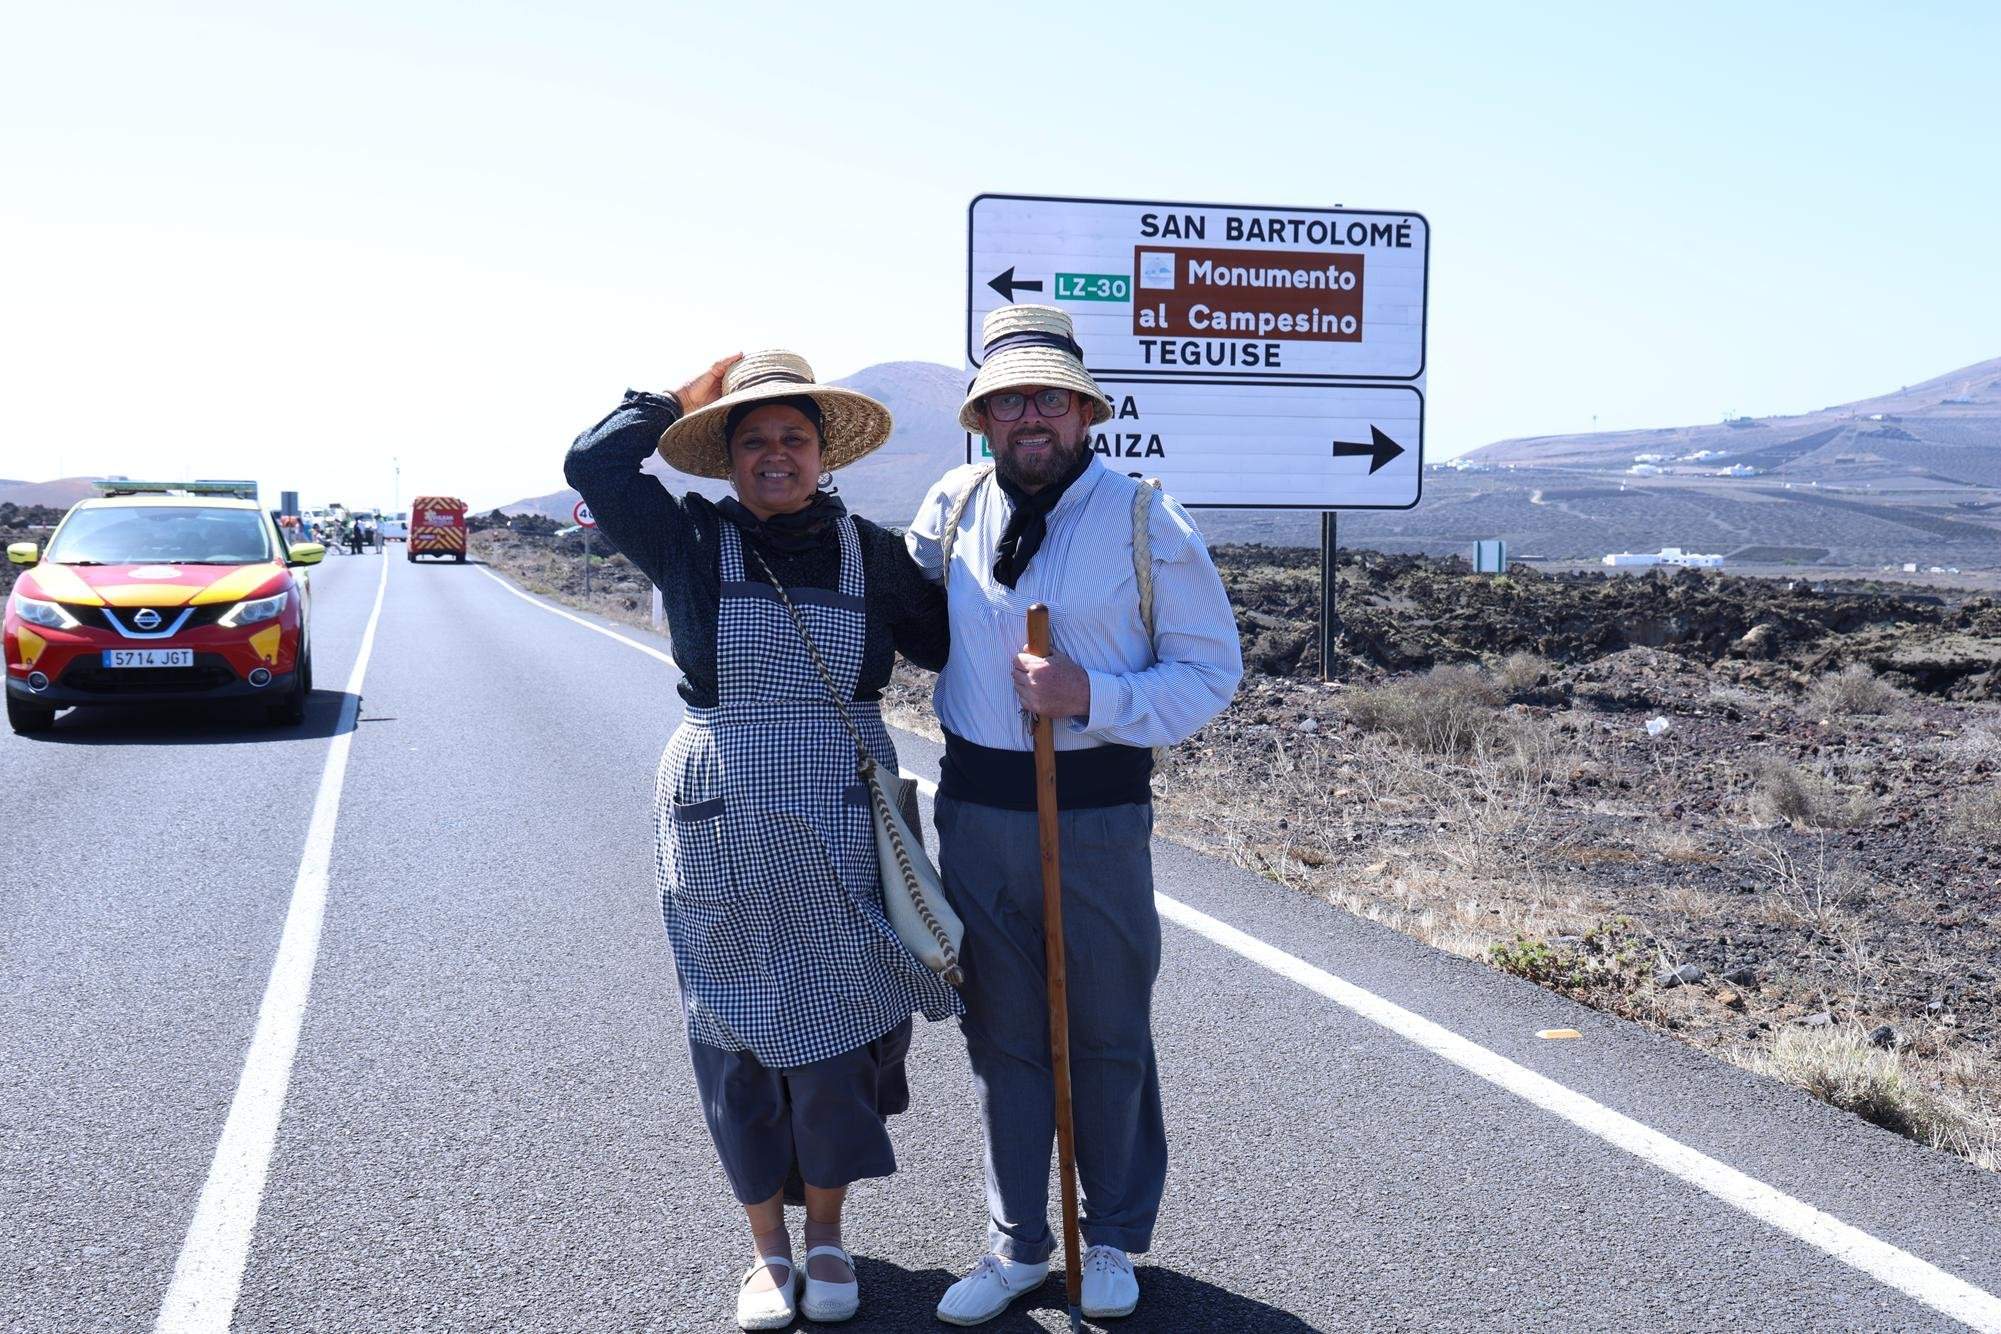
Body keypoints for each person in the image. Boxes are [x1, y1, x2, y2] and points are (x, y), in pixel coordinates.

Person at [565, 350, 962, 1331]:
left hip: (842, 810)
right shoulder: (688, 540)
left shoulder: (874, 555)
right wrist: (676, 400)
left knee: (845, 1022)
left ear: (825, 454)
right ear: (727, 457)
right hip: (722, 812)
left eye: (794, 437)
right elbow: (592, 466)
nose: (775, 455)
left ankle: (825, 1235)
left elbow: (951, 642)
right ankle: (767, 1252)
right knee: (733, 1027)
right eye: (752, 440)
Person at [906, 306, 1242, 1325]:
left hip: (1094, 816)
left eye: (1049, 398)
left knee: (1105, 1030)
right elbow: (904, 616)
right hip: (975, 811)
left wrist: (1088, 694)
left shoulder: (1145, 520)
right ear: (982, 418)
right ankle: (1017, 1244)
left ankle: (1113, 1238)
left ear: (1086, 411)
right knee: (1002, 1035)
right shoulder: (951, 506)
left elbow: (1209, 672)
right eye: (1007, 401)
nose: (1030, 418)